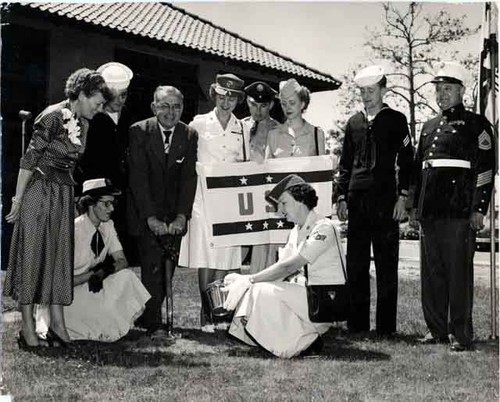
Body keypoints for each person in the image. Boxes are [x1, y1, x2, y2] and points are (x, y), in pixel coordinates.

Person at [3, 68, 111, 349]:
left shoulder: (84, 123)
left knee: (58, 259)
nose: (99, 109)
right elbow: (29, 160)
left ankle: (57, 326)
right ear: (83, 94)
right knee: (33, 258)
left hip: (63, 193)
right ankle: (27, 329)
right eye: (97, 102)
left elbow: (73, 163)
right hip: (39, 191)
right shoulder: (51, 115)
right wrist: (17, 200)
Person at [412, 62, 495, 351]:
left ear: (461, 90)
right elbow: (417, 170)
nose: (442, 94)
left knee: (458, 274)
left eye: (448, 88)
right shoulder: (429, 126)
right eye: (438, 89)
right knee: (432, 273)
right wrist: (414, 207)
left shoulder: (476, 125)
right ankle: (435, 329)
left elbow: (485, 169)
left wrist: (479, 208)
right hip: (430, 211)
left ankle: (460, 333)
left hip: (458, 211)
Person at [223, 174, 346, 358]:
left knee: (260, 291)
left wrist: (249, 279)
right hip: (308, 298)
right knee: (258, 289)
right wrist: (248, 282)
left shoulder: (324, 227)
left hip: (326, 301)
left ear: (300, 200)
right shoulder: (296, 231)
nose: (280, 210)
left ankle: (301, 344)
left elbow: (290, 266)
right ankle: (304, 340)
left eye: (283, 203)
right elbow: (281, 268)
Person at [336, 65, 414, 336]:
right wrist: (342, 196)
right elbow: (345, 164)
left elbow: (407, 162)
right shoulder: (353, 122)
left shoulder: (396, 119)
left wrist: (403, 197)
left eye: (371, 91)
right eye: (362, 91)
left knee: (386, 264)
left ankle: (385, 328)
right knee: (356, 263)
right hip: (357, 201)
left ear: (383, 90)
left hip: (385, 200)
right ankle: (357, 325)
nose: (366, 96)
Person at [35, 178, 150, 342]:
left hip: (89, 288)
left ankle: (102, 323)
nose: (111, 208)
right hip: (64, 300)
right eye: (106, 204)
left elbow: (122, 261)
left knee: (127, 276)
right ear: (91, 204)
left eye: (113, 203)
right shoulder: (72, 231)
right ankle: (66, 327)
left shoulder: (108, 226)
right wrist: (91, 275)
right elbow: (56, 283)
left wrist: (106, 270)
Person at [178, 73, 248, 333]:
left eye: (232, 97)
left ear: (238, 100)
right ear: (214, 94)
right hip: (203, 199)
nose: (226, 101)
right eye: (222, 95)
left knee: (223, 257)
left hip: (229, 200)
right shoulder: (197, 123)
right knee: (206, 256)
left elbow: (246, 165)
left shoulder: (243, 128)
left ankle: (219, 311)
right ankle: (205, 312)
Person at [128, 86, 198, 336]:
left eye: (176, 106)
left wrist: (182, 215)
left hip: (174, 216)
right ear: (154, 107)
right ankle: (154, 323)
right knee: (151, 266)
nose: (170, 112)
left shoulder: (189, 134)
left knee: (168, 268)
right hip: (147, 213)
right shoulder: (139, 131)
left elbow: (189, 178)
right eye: (164, 106)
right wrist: (150, 217)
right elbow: (138, 178)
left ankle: (150, 315)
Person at [77, 62, 135, 261]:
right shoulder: (91, 116)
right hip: (96, 194)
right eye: (114, 94)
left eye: (124, 95)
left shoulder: (129, 117)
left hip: (121, 195)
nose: (119, 100)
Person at [241, 81, 280, 273]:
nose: (258, 110)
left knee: (264, 256)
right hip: (242, 198)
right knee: (234, 254)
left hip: (266, 200)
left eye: (263, 105)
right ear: (247, 102)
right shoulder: (239, 127)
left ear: (271, 105)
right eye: (253, 104)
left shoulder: (279, 130)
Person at [267, 78, 326, 158]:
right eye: (284, 104)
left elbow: (322, 168)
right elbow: (267, 168)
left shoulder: (316, 133)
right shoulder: (272, 135)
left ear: (302, 104)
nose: (287, 108)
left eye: (292, 103)